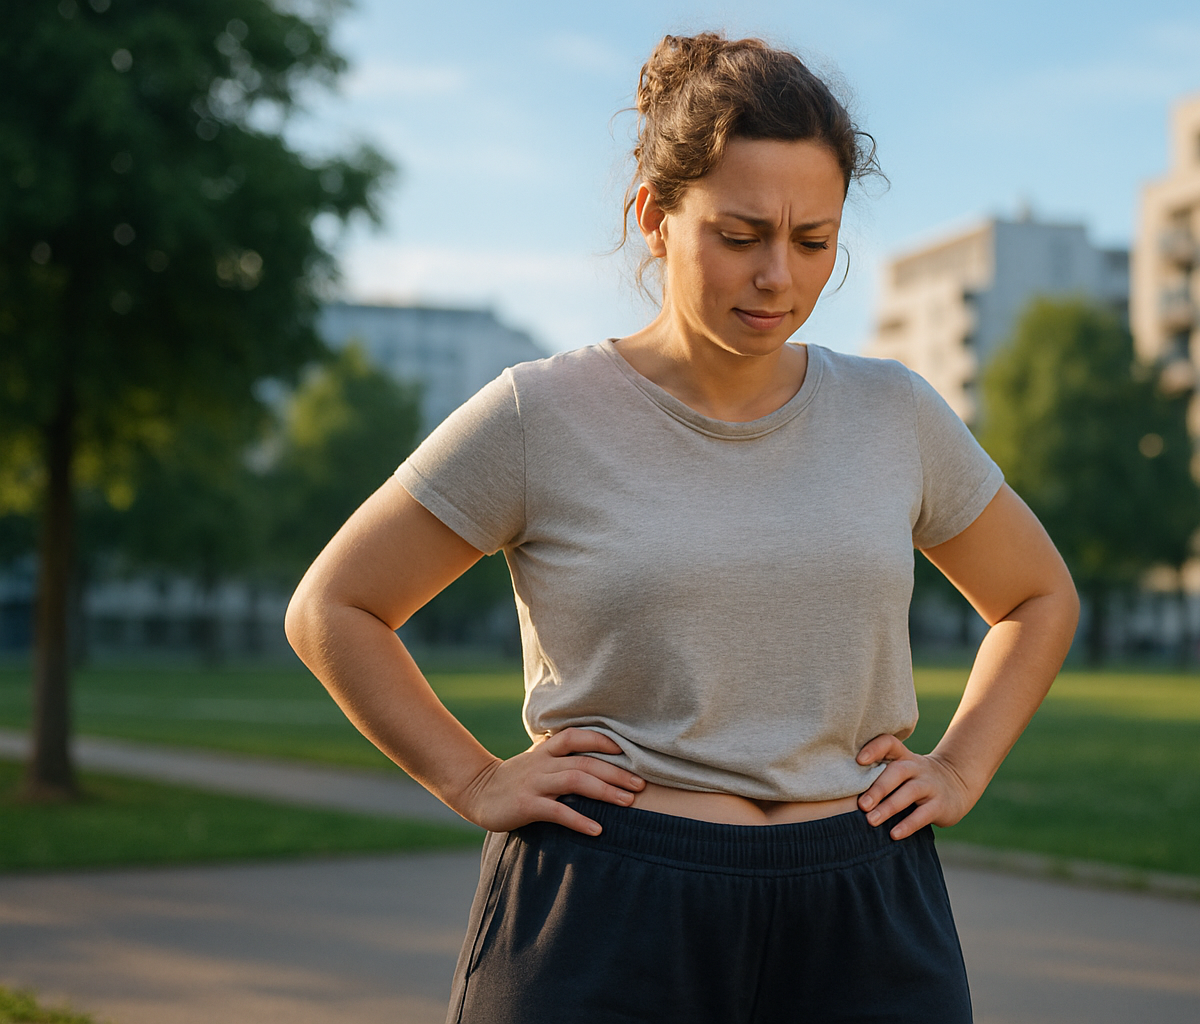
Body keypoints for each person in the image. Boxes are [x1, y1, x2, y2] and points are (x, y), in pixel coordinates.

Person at [285, 31, 1079, 1024]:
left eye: (814, 240)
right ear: (654, 219)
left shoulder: (895, 412)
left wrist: (962, 765)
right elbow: (336, 607)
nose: (778, 277)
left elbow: (1037, 595)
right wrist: (475, 778)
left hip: (865, 911)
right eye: (740, 235)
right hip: (611, 904)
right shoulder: (541, 412)